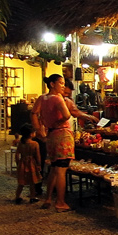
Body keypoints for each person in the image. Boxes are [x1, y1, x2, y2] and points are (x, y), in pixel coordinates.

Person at [39, 74, 74, 212]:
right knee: (61, 170)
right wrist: (58, 123)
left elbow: (34, 113)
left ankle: (48, 199)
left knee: (54, 168)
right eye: (61, 83)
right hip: (62, 135)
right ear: (52, 84)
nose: (63, 86)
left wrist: (39, 128)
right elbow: (67, 115)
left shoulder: (42, 98)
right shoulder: (57, 99)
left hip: (51, 135)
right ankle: (60, 202)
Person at [14, 123, 42, 204]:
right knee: (32, 182)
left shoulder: (20, 143)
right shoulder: (35, 144)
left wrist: (18, 163)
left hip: (22, 163)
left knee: (21, 182)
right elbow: (38, 155)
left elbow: (17, 154)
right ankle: (32, 197)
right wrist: (39, 164)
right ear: (31, 134)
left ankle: (17, 196)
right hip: (31, 164)